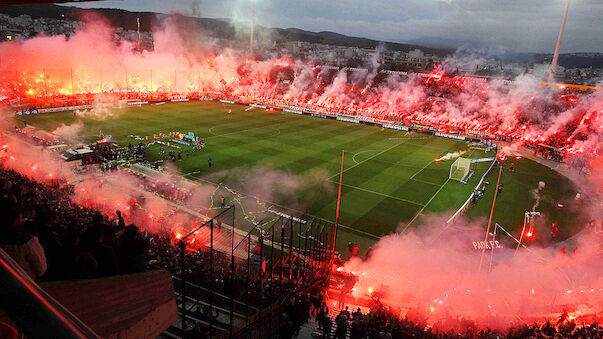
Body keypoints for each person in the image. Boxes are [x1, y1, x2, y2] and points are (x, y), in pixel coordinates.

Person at [0, 209, 47, 280]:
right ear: (16, 220)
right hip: (24, 285)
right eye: (21, 218)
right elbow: (40, 269)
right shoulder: (29, 241)